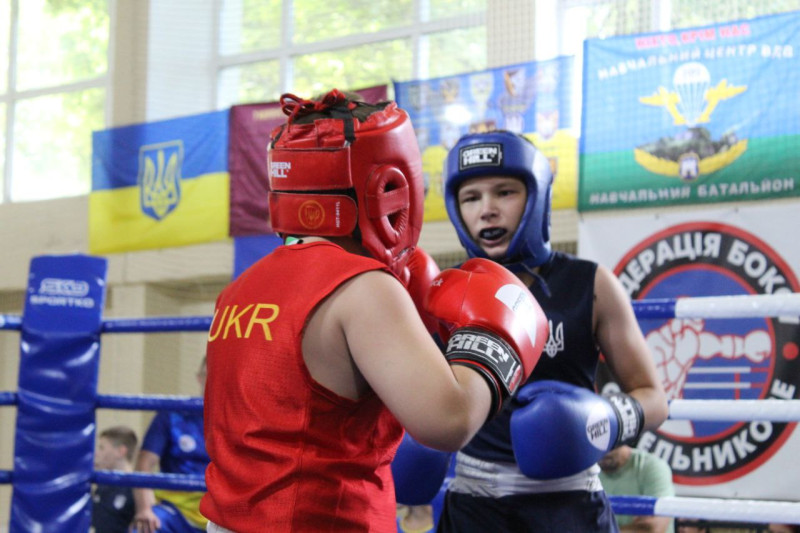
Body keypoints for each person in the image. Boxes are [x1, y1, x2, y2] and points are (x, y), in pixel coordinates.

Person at [199, 89, 549, 533]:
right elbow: (450, 421)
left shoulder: (240, 290)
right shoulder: (363, 288)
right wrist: (496, 336)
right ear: (387, 187)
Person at [432, 129, 669, 532]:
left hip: (569, 504)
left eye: (505, 192)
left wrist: (602, 422)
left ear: (537, 197)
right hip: (474, 506)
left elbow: (654, 399)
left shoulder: (590, 284)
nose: (487, 210)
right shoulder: (441, 291)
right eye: (471, 197)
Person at [132, 357, 209, 533]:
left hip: (221, 514)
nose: (212, 381)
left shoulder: (237, 420)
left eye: (217, 376)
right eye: (207, 375)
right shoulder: (173, 414)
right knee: (144, 529)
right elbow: (144, 464)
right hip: (174, 511)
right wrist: (145, 509)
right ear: (199, 378)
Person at [598, 444, 675, 533]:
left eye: (609, 445)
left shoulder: (650, 466)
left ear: (622, 440)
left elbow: (654, 529)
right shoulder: (586, 471)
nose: (603, 451)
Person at [92, 425, 138, 533]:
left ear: (120, 451)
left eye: (101, 448)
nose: (96, 453)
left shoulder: (138, 488)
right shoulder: (102, 485)